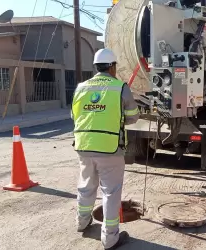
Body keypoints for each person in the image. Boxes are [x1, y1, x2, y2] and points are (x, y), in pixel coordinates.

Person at [71, 48, 140, 250]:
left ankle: (82, 223)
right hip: (109, 149)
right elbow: (133, 116)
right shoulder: (120, 88)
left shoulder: (81, 88)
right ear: (112, 67)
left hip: (83, 146)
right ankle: (110, 238)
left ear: (96, 66)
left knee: (86, 187)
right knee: (111, 193)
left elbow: (74, 116)